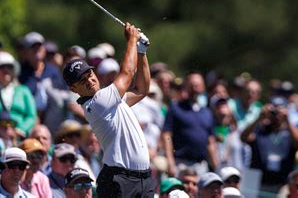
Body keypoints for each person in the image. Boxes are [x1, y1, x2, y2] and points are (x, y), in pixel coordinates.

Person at [62, 23, 154, 197]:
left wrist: (141, 52)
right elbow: (127, 74)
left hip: (143, 179)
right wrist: (132, 40)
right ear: (74, 89)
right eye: (82, 81)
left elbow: (142, 89)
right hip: (119, 180)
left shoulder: (109, 100)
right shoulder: (97, 103)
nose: (89, 80)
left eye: (89, 74)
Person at [240, 98, 298, 193]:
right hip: (259, 182)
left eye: (280, 110)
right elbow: (243, 138)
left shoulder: (290, 131)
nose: (277, 115)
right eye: (275, 111)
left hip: (282, 183)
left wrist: (287, 120)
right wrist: (259, 118)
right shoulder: (261, 129)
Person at [162, 72, 219, 177]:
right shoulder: (176, 108)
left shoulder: (207, 112)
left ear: (203, 87)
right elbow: (166, 135)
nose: (195, 88)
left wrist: (216, 168)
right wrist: (170, 161)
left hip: (201, 165)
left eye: (198, 85)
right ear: (186, 87)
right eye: (192, 85)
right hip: (181, 163)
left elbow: (210, 141)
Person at [18, 31, 68, 135]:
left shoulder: (54, 71)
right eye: (33, 47)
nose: (37, 49)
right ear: (26, 51)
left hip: (53, 120)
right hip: (29, 118)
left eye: (39, 46)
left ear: (44, 49)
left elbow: (62, 93)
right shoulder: (20, 72)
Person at [0, 51, 37, 137]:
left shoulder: (24, 91)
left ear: (14, 71)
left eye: (9, 67)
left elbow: (31, 115)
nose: (6, 70)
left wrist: (21, 128)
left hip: (20, 136)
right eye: (2, 67)